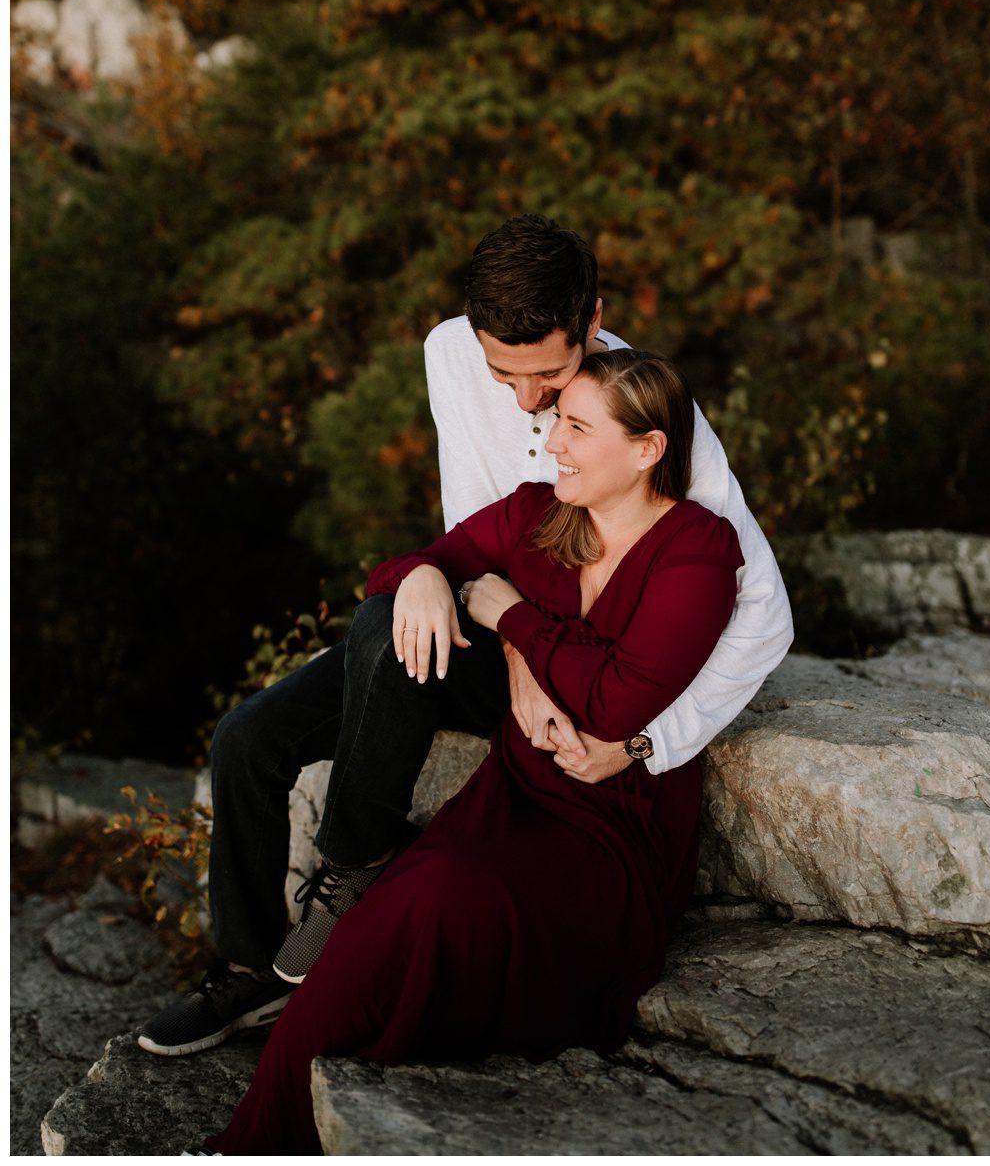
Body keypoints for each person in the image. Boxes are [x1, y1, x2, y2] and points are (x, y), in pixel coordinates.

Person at [141, 216, 791, 1057]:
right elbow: (482, 535)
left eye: (550, 375)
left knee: (381, 624)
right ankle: (250, 972)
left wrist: (648, 740)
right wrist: (425, 575)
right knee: (247, 738)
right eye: (504, 372)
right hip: (497, 626)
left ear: (593, 321)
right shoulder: (448, 352)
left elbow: (764, 608)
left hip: (580, 671)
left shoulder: (649, 413)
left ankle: (351, 871)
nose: (526, 399)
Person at [204, 348, 739, 1151]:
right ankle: (246, 1141)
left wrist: (509, 612)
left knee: (443, 898)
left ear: (647, 449)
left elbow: (615, 699)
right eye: (559, 420)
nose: (551, 439)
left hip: (613, 832)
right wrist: (425, 576)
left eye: (577, 426)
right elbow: (403, 568)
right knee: (368, 935)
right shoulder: (536, 514)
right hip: (511, 797)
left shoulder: (699, 549)